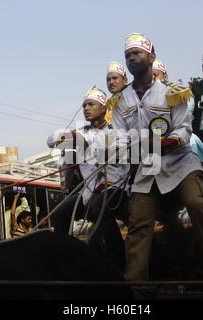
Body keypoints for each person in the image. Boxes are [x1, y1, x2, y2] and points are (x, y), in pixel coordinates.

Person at [110, 33, 203, 281]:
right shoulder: (120, 100)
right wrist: (129, 149)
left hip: (180, 165)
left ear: (151, 57)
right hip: (146, 169)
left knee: (198, 205)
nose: (132, 58)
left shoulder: (173, 92)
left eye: (137, 53)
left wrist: (167, 143)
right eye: (128, 55)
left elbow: (184, 130)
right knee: (138, 223)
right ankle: (135, 287)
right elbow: (120, 138)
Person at [48, 88, 129, 273]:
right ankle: (62, 263)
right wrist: (70, 137)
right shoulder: (81, 132)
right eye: (84, 105)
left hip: (114, 187)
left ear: (103, 108)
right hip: (87, 192)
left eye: (91, 104)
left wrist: (92, 149)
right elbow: (50, 140)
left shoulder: (116, 131)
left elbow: (118, 163)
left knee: (100, 205)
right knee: (61, 213)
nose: (86, 108)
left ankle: (117, 265)